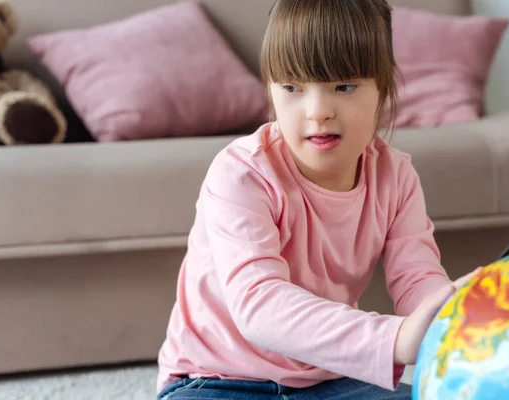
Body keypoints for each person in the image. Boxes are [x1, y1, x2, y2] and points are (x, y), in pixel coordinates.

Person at [156, 0, 479, 399]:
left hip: (332, 380)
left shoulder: (396, 176)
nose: (318, 110)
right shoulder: (241, 174)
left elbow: (417, 278)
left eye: (344, 86)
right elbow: (259, 304)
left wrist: (455, 312)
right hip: (215, 379)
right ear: (271, 89)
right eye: (292, 88)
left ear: (383, 87)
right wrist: (395, 338)